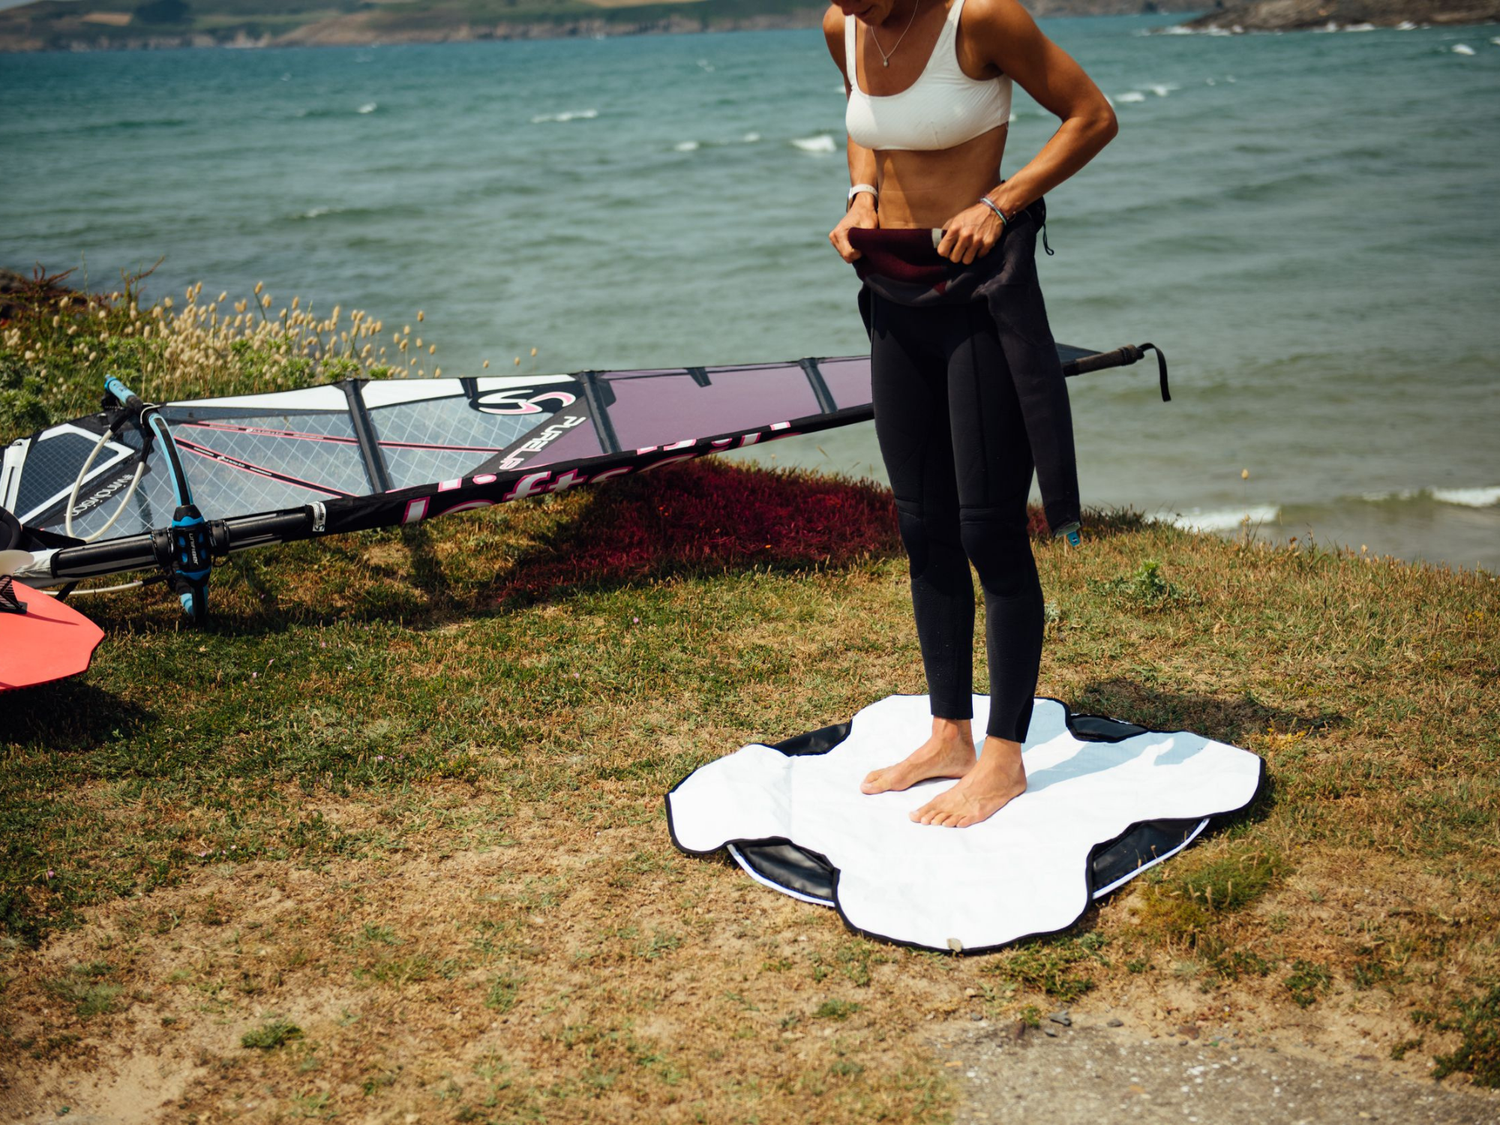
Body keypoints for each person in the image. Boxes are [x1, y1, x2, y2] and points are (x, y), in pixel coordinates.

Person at [822, 0, 1117, 827]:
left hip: (979, 298)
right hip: (894, 291)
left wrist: (1001, 201)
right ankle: (948, 732)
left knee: (989, 528)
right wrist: (860, 193)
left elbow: (1092, 117)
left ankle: (1004, 756)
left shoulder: (981, 18)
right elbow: (865, 123)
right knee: (922, 524)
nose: (850, 6)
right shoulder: (844, 25)